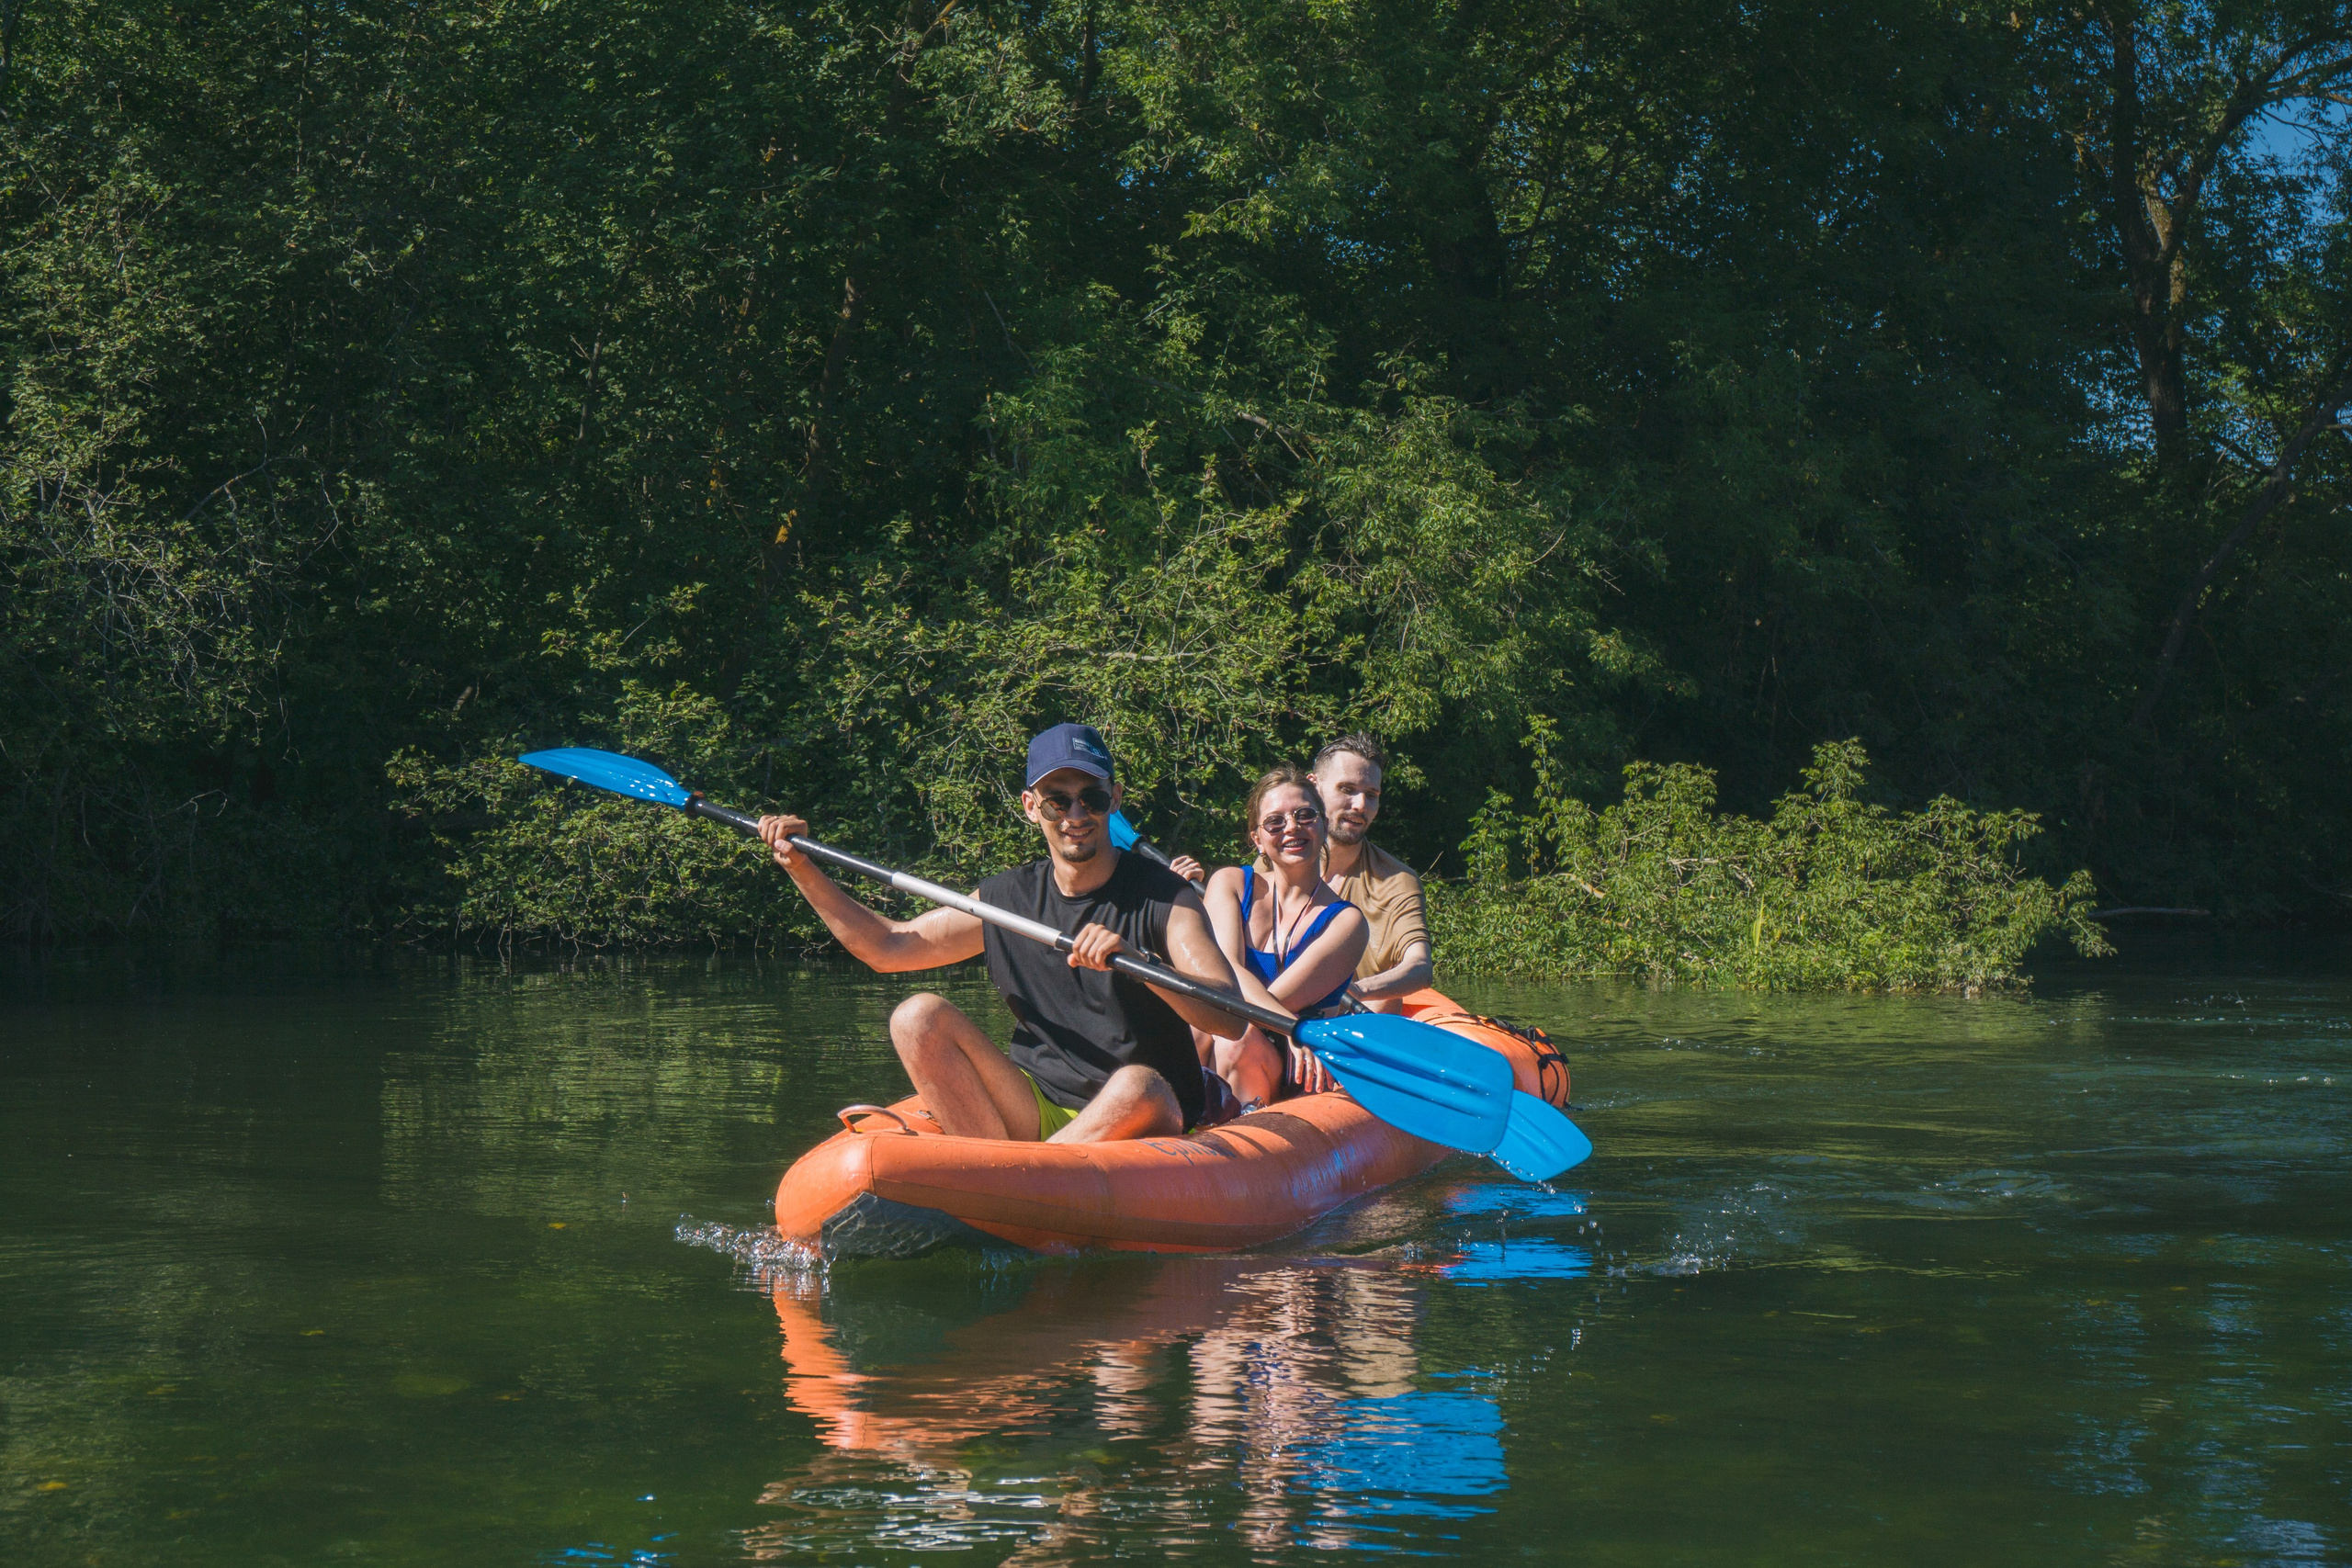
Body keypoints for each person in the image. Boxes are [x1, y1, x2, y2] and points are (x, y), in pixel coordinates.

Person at [755, 723, 1260, 1143]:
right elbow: (889, 947)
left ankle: (1025, 1178)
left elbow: (1229, 1018)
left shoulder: (1166, 896)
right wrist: (803, 869)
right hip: (1037, 1104)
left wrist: (1144, 966)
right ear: (1029, 805)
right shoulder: (1006, 900)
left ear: (1115, 800)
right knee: (916, 1017)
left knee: (1138, 1085)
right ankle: (1005, 1178)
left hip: (1145, 1116)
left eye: (1093, 797)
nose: (1077, 816)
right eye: (1057, 802)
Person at [1189, 764, 1368, 1111]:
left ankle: (1238, 1139)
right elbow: (1222, 976)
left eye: (1305, 816)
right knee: (1197, 1026)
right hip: (1260, 1031)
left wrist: (1288, 1029)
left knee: (1234, 1038)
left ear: (1322, 824)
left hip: (1298, 1063)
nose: (1292, 828)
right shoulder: (1228, 884)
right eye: (1275, 821)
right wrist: (1290, 1026)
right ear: (1257, 838)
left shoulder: (1347, 923)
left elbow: (1244, 999)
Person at [1310, 734, 1432, 1010]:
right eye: (1347, 789)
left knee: (1385, 1000)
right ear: (1313, 788)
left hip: (1353, 1021)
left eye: (1371, 795)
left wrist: (1354, 991)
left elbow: (1420, 966)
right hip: (1277, 1013)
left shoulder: (1397, 880)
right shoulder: (1274, 863)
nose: (1361, 806)